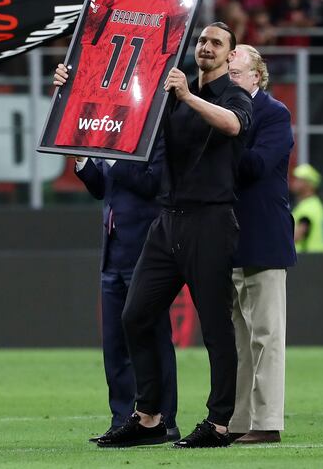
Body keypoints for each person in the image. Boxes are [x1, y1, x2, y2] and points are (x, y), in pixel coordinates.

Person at [97, 22, 253, 449]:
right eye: (202, 40)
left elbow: (234, 127)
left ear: (230, 55)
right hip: (167, 220)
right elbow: (122, 97)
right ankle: (149, 417)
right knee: (136, 315)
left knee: (215, 326)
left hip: (210, 220)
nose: (206, 46)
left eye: (216, 43)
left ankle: (219, 423)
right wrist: (70, 86)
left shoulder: (233, 96)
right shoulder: (172, 91)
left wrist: (187, 96)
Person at [52, 68, 180, 444]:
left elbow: (151, 183)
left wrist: (118, 151)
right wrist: (82, 160)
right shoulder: (109, 132)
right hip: (113, 249)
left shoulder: (155, 131)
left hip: (145, 249)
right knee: (115, 343)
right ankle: (123, 416)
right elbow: (101, 188)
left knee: (154, 335)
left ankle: (165, 418)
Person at [226, 45, 297, 444]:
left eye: (237, 73)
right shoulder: (217, 109)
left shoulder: (273, 114)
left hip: (263, 237)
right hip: (227, 237)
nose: (231, 78)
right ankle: (238, 421)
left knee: (267, 334)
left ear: (257, 77)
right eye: (228, 73)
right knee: (237, 338)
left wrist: (225, 132)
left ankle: (267, 422)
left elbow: (255, 166)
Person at [290, 164, 323, 253]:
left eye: (300, 180)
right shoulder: (314, 204)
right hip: (319, 258)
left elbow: (297, 236)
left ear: (309, 184)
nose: (295, 182)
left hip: (312, 258)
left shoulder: (309, 207)